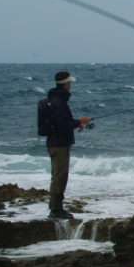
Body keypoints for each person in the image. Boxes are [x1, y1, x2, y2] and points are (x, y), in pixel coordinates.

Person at [46, 70, 91, 220]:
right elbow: (63, 124)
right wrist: (80, 122)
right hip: (59, 144)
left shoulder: (54, 99)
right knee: (60, 176)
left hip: (55, 142)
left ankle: (55, 207)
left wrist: (77, 123)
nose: (70, 85)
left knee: (57, 176)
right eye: (69, 83)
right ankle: (56, 210)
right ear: (66, 84)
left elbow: (62, 123)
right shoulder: (59, 102)